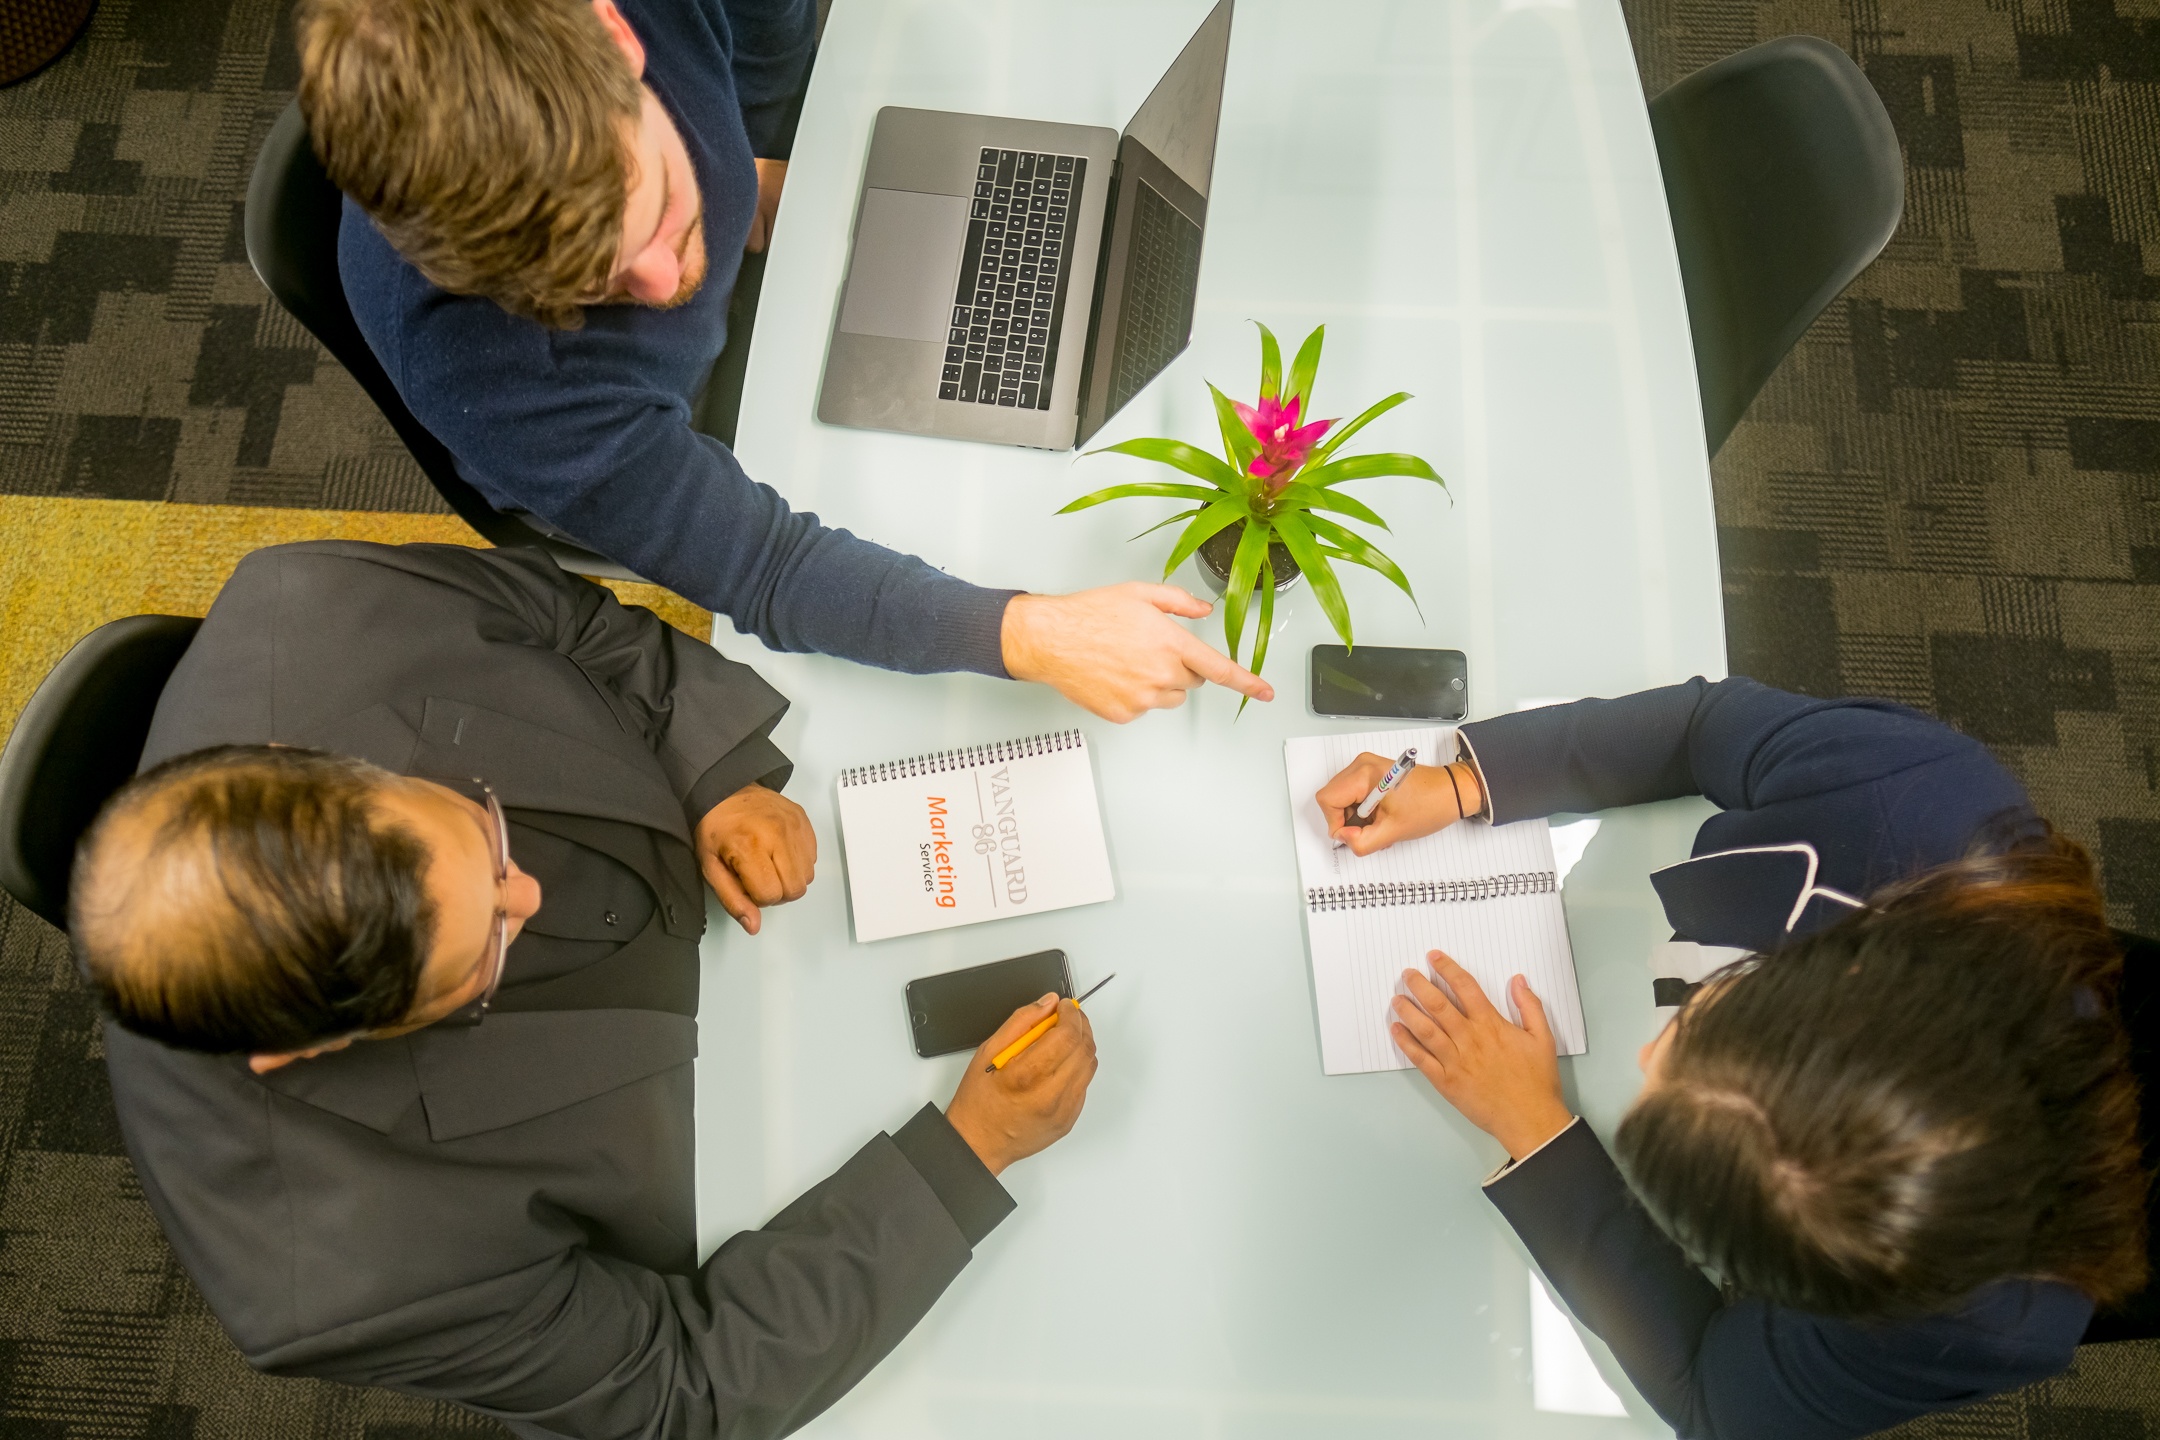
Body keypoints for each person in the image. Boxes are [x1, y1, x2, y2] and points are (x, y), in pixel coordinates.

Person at [72, 540, 1100, 1439]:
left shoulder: (311, 597)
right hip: (753, 1152)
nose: (530, 887)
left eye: (479, 828)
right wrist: (969, 1154)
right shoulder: (342, 1283)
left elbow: (563, 619)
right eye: (482, 956)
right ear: (314, 1048)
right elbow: (677, 1396)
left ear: (306, 757)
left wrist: (712, 775)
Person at [296, 0, 1268, 726]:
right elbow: (766, 564)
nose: (671, 272)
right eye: (589, 288)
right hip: (666, 440)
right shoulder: (490, 374)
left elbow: (767, 24)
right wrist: (1033, 634)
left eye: (659, 213)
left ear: (619, 35)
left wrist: (750, 149)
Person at [1314, 676, 2148, 1440]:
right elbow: (1703, 724)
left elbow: (1718, 1401)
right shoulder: (1920, 797)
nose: (1648, 1053)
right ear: (1846, 960)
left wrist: (1537, 1130)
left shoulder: (1980, 1321)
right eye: (1720, 1009)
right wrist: (1466, 782)